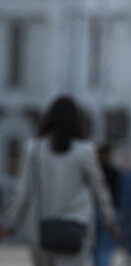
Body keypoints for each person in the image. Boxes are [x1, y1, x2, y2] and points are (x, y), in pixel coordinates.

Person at [0, 95, 120, 266]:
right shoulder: (84, 151)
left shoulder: (34, 149)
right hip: (75, 228)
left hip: (40, 229)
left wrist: (11, 224)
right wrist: (109, 219)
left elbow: (24, 192)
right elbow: (99, 188)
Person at [93, 143, 120, 266]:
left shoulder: (93, 170)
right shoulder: (114, 172)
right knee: (105, 246)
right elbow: (118, 195)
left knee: (94, 245)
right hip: (109, 210)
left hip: (93, 210)